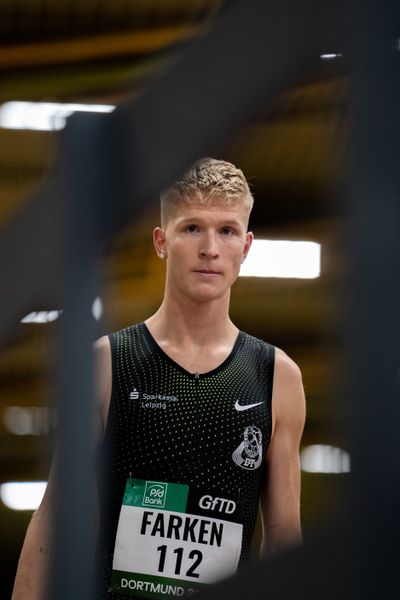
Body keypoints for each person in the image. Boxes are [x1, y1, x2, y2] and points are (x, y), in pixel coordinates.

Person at [12, 158, 306, 599]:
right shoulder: (106, 363)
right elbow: (57, 518)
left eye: (226, 231)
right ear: (161, 241)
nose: (210, 248)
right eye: (192, 228)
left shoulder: (276, 375)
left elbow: (284, 540)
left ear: (245, 248)